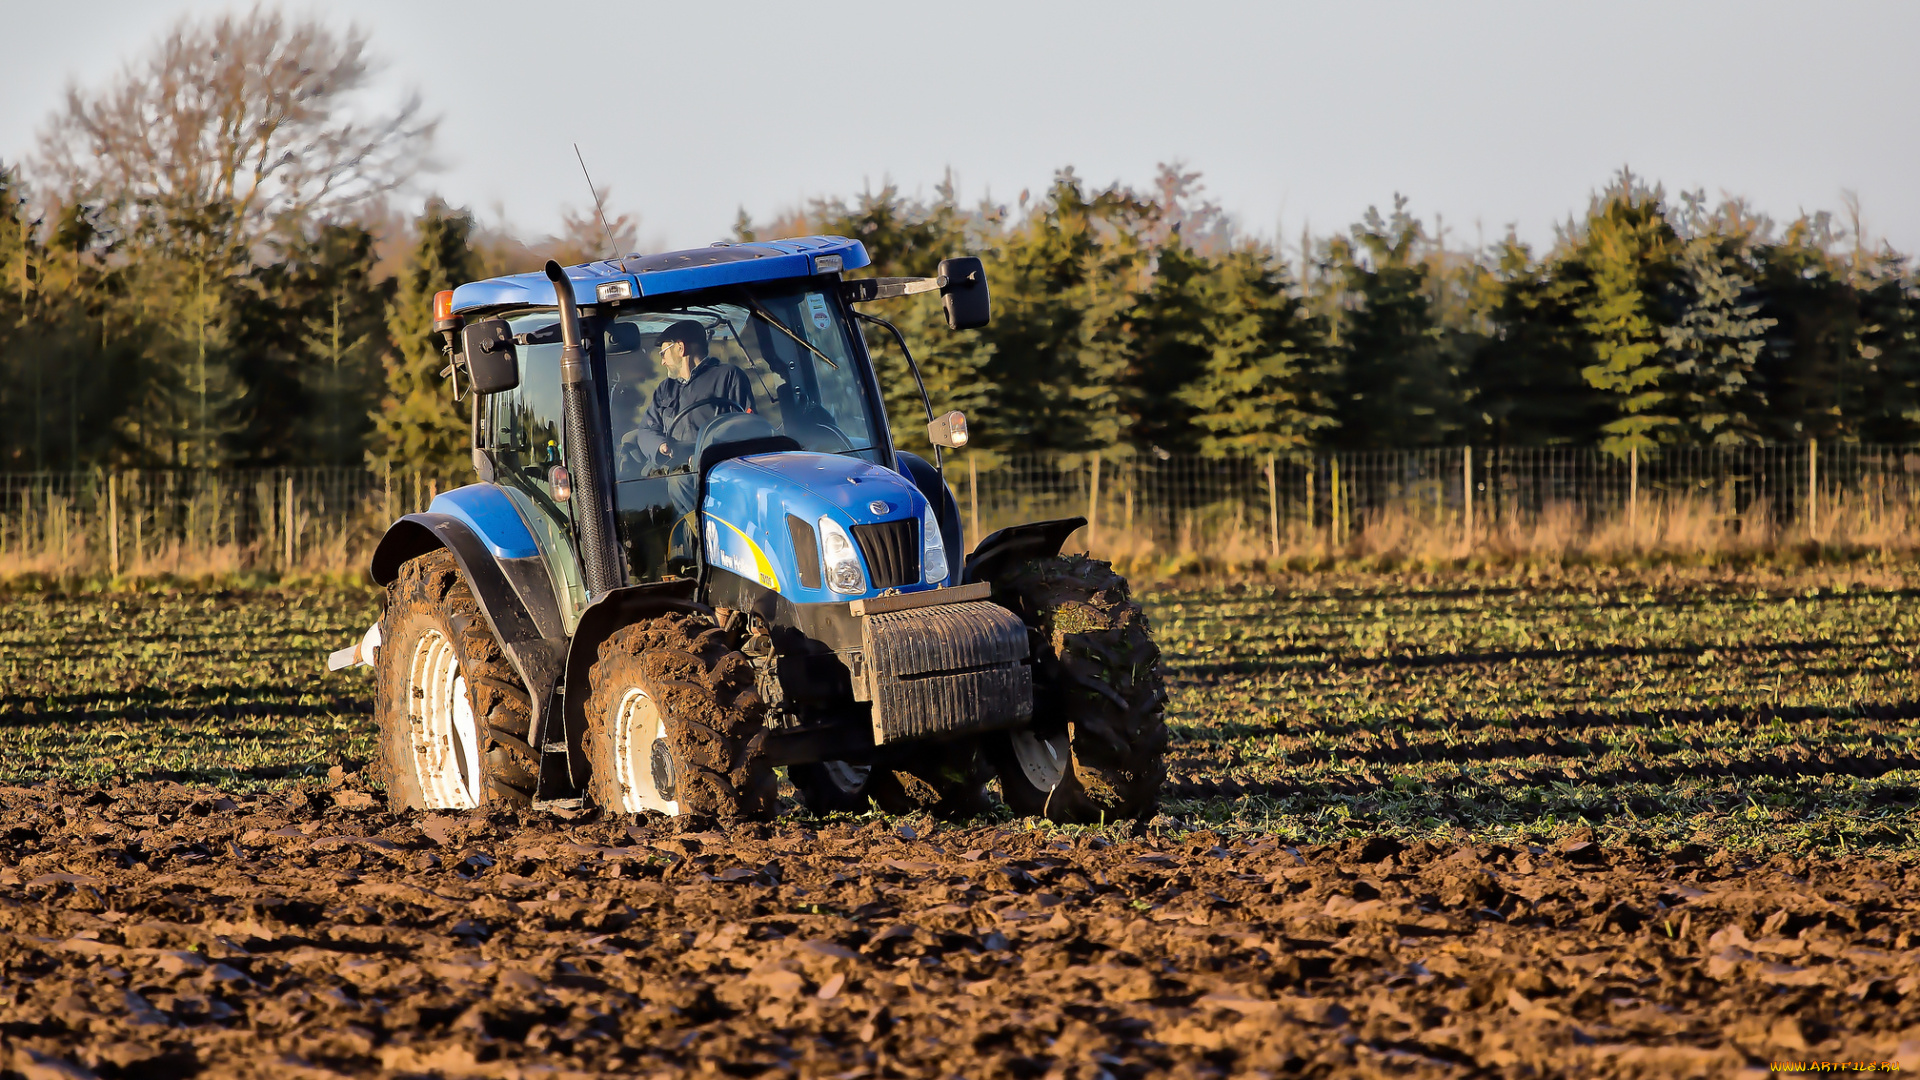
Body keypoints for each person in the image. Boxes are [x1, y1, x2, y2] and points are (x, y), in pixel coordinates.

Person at [630, 320, 755, 470]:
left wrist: (705, 455)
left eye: (663, 353)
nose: (662, 362)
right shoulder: (665, 388)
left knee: (680, 482)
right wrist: (660, 446)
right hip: (674, 464)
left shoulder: (728, 376)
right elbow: (646, 429)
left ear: (681, 348)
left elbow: (746, 427)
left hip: (714, 465)